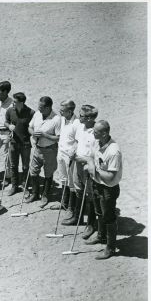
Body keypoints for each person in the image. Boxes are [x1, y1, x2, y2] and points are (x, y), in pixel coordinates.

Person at [85, 120, 122, 260]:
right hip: (96, 184)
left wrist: (95, 170)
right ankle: (101, 237)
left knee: (109, 217)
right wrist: (90, 165)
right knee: (98, 212)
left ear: (105, 133)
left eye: (96, 131)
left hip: (108, 188)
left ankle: (110, 247)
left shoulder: (113, 151)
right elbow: (90, 156)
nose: (93, 132)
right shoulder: (96, 141)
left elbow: (111, 177)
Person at [62, 105, 98, 241]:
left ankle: (90, 224)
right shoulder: (81, 127)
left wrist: (88, 163)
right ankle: (78, 217)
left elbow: (97, 154)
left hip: (88, 167)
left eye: (81, 115)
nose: (79, 116)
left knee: (90, 195)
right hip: (77, 163)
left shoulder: (96, 131)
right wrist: (73, 150)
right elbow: (78, 142)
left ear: (89, 118)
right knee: (78, 190)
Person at [26, 96, 61, 207]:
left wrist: (45, 135)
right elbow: (29, 127)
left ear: (48, 107)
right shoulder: (37, 114)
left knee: (48, 173)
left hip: (50, 150)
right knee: (33, 172)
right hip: (37, 149)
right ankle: (35, 193)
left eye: (41, 107)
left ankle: (45, 195)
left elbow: (58, 138)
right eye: (39, 106)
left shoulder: (57, 119)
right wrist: (32, 133)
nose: (38, 108)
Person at [4, 92, 35, 196]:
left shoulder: (31, 112)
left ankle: (24, 185)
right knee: (13, 165)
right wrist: (9, 126)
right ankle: (14, 186)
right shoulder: (10, 110)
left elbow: (33, 127)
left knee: (25, 166)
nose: (13, 102)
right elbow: (6, 122)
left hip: (25, 144)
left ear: (21, 102)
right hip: (13, 143)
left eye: (15, 101)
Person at [57, 100, 80, 218]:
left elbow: (78, 141)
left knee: (71, 183)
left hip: (70, 156)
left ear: (70, 111)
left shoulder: (77, 123)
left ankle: (71, 208)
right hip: (60, 153)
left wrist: (73, 151)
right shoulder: (62, 119)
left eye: (62, 110)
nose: (60, 111)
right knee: (63, 179)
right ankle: (64, 203)